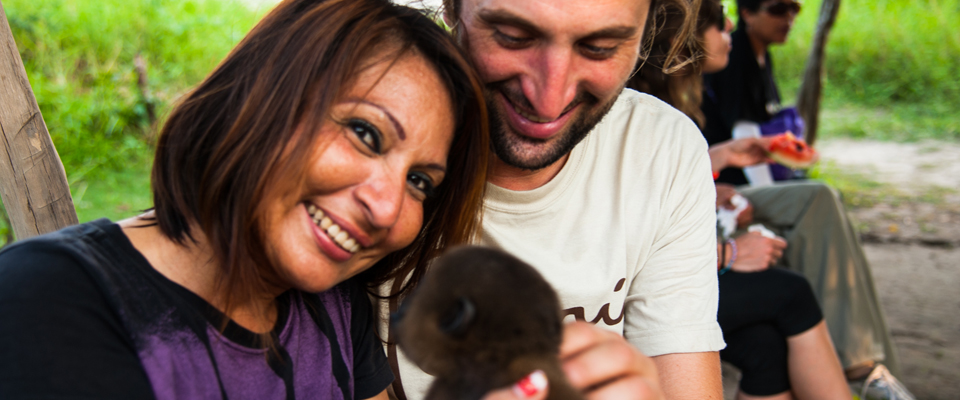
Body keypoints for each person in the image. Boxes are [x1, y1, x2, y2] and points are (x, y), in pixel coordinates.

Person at [0, 0, 490, 398]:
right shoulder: (48, 300)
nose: (386, 210)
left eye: (420, 182)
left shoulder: (336, 305)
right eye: (365, 133)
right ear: (261, 98)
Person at [384, 0, 726, 399]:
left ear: (646, 32)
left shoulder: (659, 149)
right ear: (452, 7)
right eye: (512, 38)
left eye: (600, 48)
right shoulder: (381, 128)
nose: (549, 100)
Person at [630, 0, 912, 398]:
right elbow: (629, 231)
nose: (730, 35)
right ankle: (863, 371)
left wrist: (715, 178)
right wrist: (727, 254)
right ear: (684, 39)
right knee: (792, 291)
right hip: (643, 291)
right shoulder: (637, 113)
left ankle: (869, 372)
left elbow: (662, 193)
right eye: (721, 27)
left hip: (691, 252)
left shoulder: (678, 106)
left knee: (767, 346)